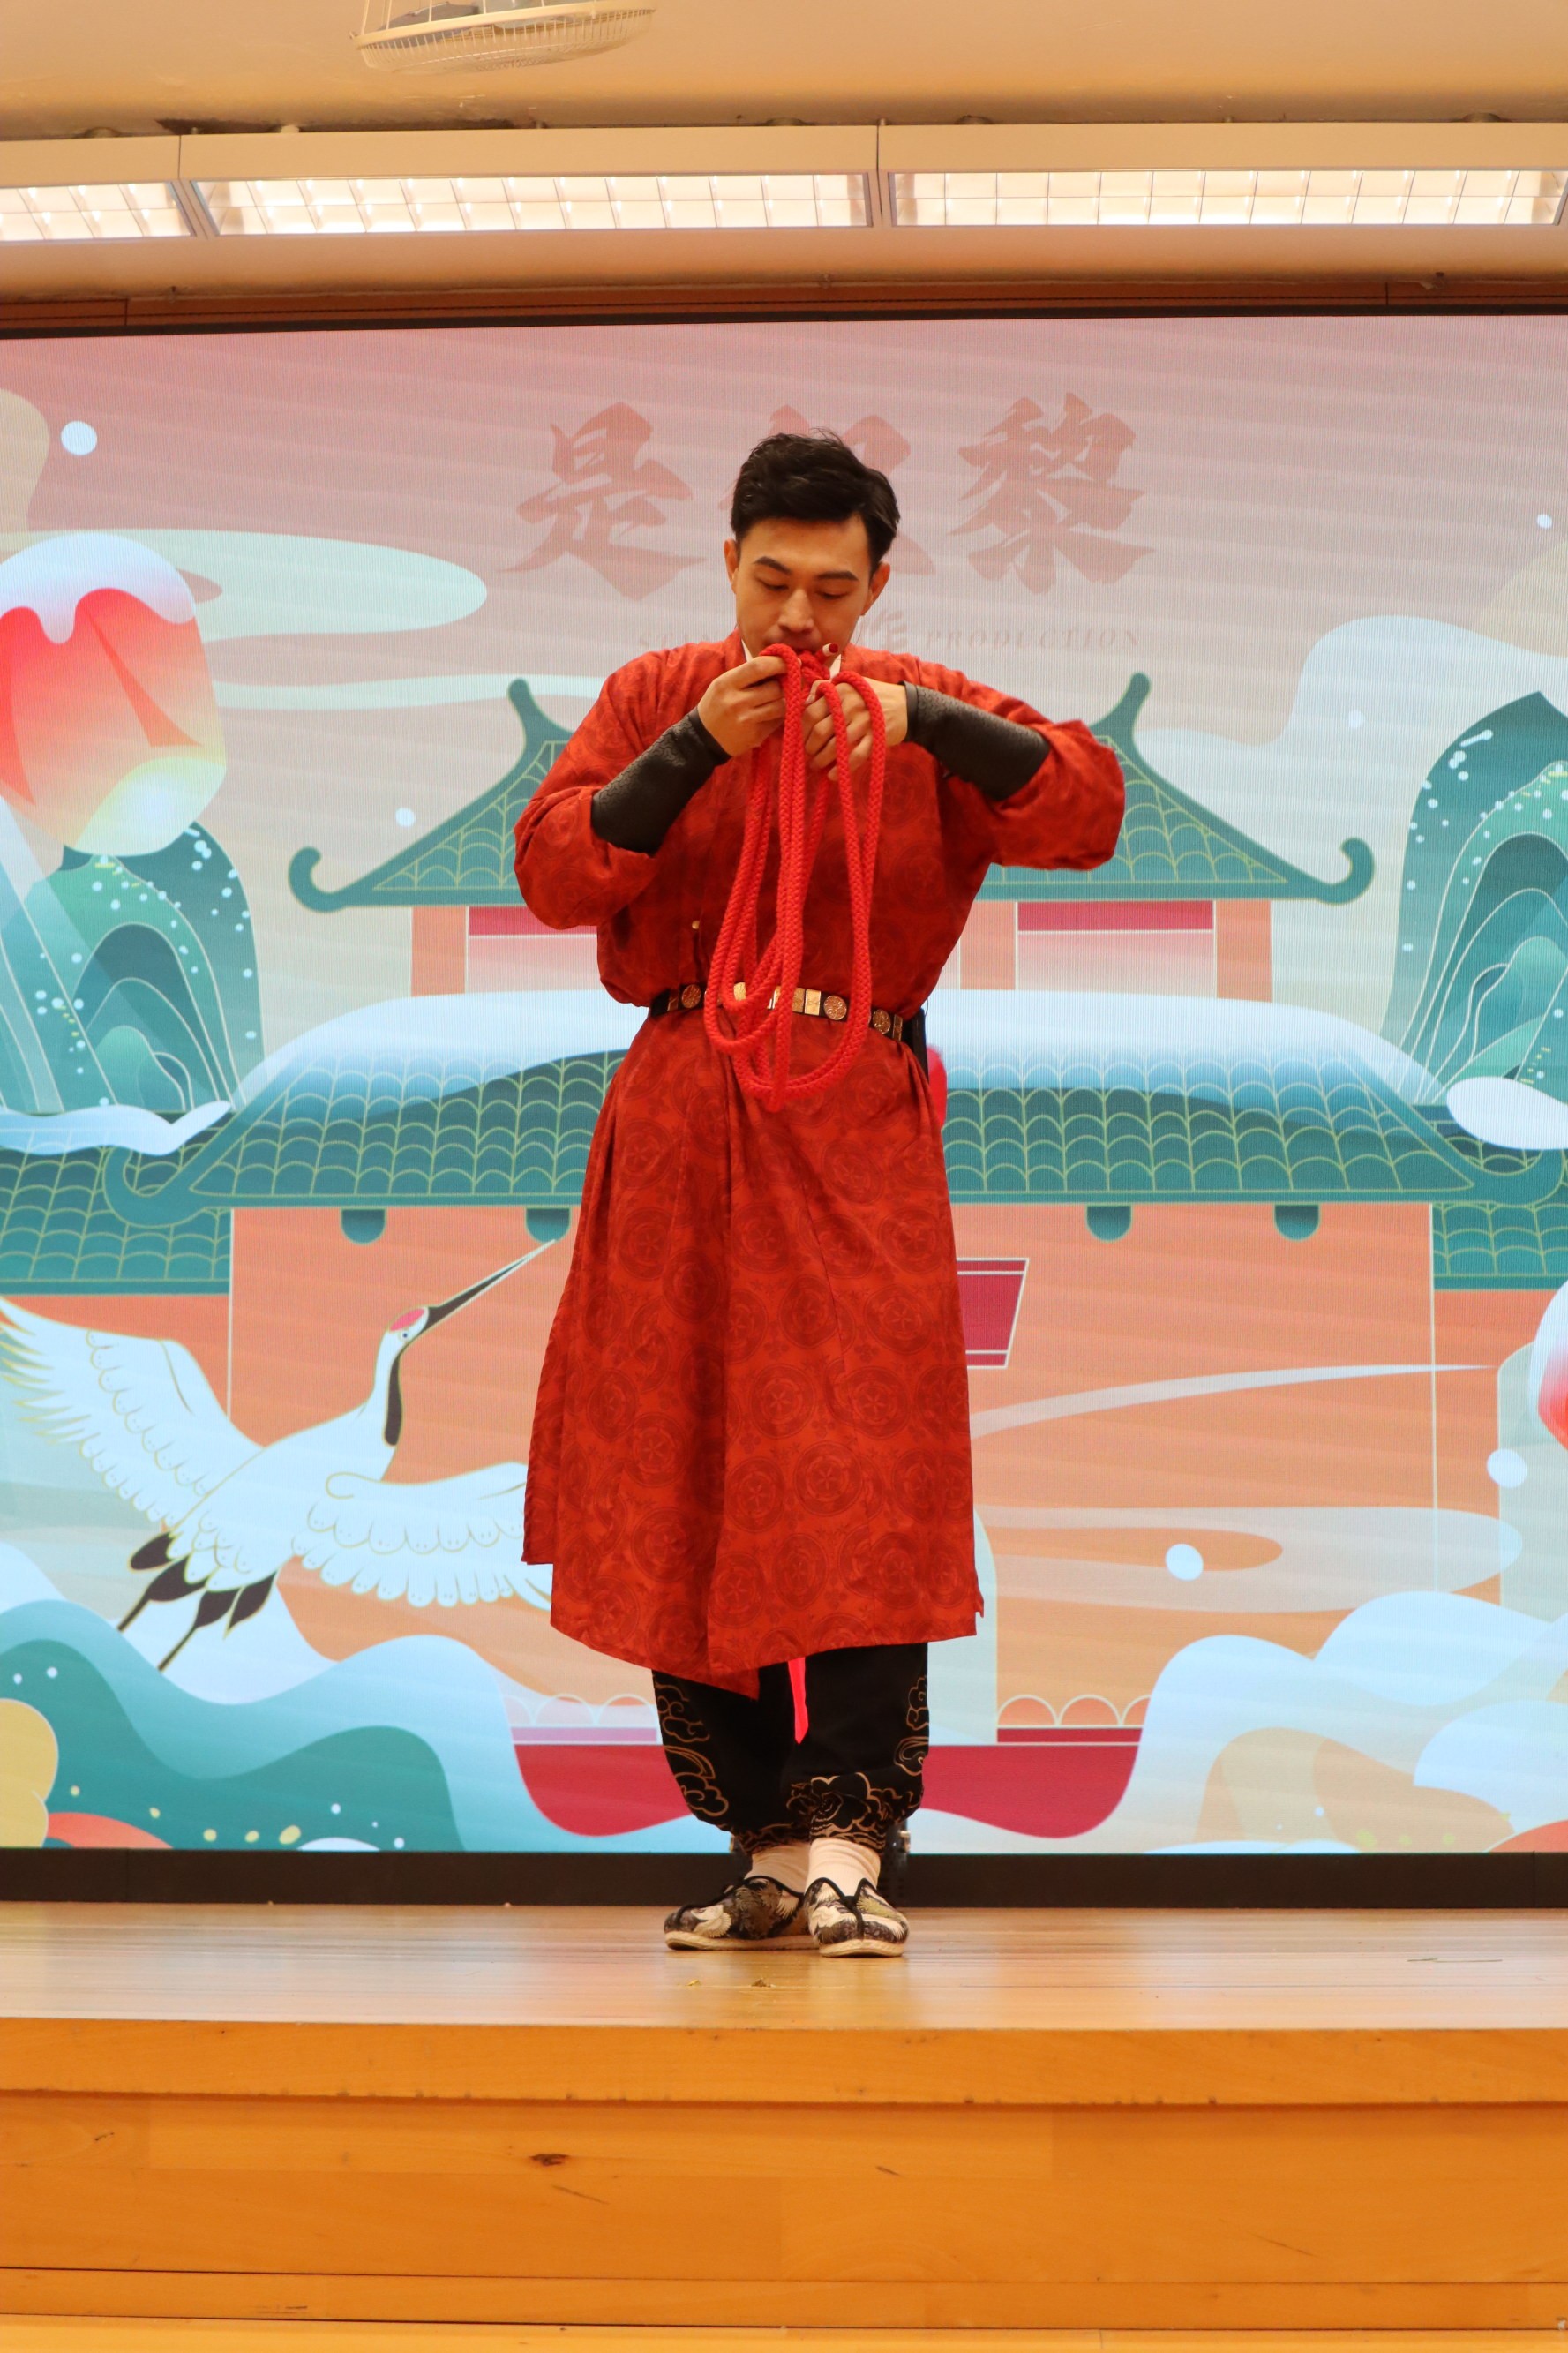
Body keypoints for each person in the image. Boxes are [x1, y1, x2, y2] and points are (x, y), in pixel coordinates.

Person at [514, 431, 1123, 1957]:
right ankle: (768, 1846)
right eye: (772, 579)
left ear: (877, 583)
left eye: (832, 589)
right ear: (728, 562)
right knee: (679, 1458)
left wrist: (921, 723)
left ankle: (852, 1837)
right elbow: (553, 870)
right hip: (679, 1109)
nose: (798, 616)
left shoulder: (914, 701)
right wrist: (689, 751)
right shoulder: (656, 695)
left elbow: (1084, 806)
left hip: (852, 1111)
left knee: (863, 1466)